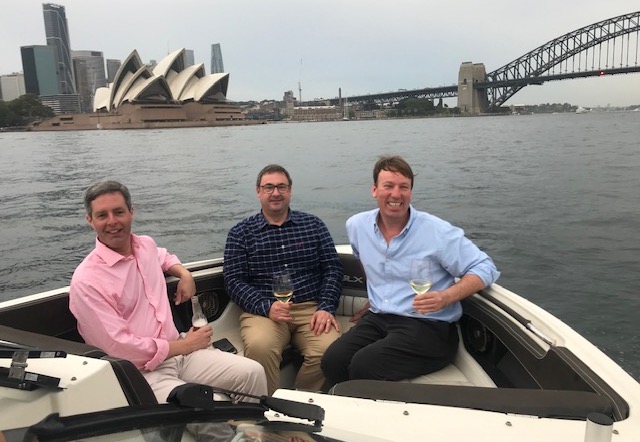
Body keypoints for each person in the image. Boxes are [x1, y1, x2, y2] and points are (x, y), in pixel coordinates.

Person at [69, 180, 267, 410]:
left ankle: (252, 432)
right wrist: (183, 346)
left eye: (119, 212)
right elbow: (118, 347)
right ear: (90, 221)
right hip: (142, 372)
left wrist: (184, 274)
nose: (112, 222)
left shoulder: (145, 246)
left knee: (252, 372)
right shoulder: (88, 280)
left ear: (131, 213)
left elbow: (164, 257)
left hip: (180, 354)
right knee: (204, 410)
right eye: (102, 215)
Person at [321, 155, 500, 387]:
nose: (396, 194)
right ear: (375, 190)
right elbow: (364, 258)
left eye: (403, 187)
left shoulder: (436, 231)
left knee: (364, 365)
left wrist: (446, 297)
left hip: (429, 326)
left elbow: (485, 267)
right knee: (332, 361)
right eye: (388, 186)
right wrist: (375, 295)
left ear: (411, 193)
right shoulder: (357, 226)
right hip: (379, 317)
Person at [223, 164, 343, 395]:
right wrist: (266, 307)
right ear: (258, 191)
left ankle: (299, 403)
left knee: (330, 350)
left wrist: (326, 307)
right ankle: (263, 407)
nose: (275, 193)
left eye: (281, 187)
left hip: (310, 307)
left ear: (290, 190)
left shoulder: (314, 226)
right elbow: (233, 280)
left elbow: (332, 269)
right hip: (263, 311)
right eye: (269, 187)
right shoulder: (240, 233)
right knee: (260, 346)